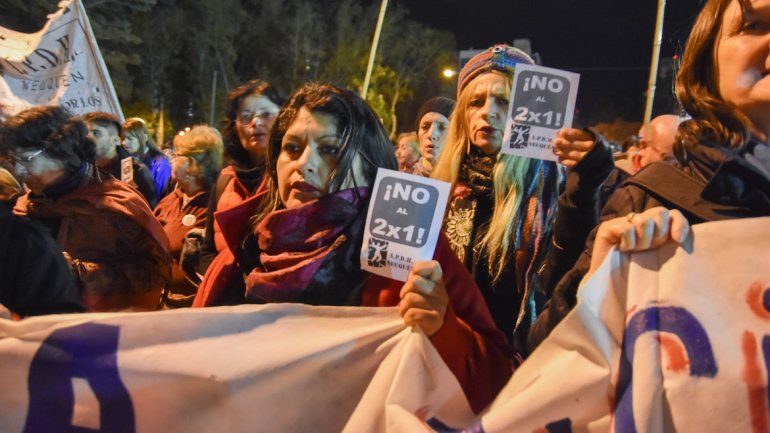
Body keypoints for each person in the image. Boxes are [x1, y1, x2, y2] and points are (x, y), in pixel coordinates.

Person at [194, 83, 513, 413]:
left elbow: (496, 380)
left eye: (330, 150)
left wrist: (441, 326)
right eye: (291, 148)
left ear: (369, 166)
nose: (304, 164)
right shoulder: (242, 250)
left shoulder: (410, 250)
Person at [529, 0, 770, 350]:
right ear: (707, 60)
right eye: (754, 26)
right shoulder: (646, 199)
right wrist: (598, 284)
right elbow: (549, 361)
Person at [432, 45, 563, 352]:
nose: (487, 112)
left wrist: (586, 186)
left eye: (503, 101)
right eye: (475, 102)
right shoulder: (438, 188)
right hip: (444, 351)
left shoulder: (547, 193)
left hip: (512, 359)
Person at [5, 106, 172, 312]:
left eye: (26, 160)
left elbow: (153, 274)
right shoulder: (23, 207)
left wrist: (75, 272)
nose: (19, 171)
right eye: (14, 161)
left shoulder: (115, 206)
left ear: (62, 152)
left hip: (99, 332)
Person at [194, 80, 284, 278]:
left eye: (266, 114)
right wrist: (226, 281)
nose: (256, 122)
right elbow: (207, 249)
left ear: (283, 119)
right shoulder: (225, 180)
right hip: (226, 301)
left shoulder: (289, 179)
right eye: (246, 116)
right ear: (234, 125)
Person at [154, 125, 224, 308]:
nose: (171, 160)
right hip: (158, 302)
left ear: (192, 165)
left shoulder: (213, 205)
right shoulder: (171, 199)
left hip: (190, 309)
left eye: (176, 155)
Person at [83, 112, 158, 207]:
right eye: (85, 133)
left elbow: (148, 213)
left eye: (96, 133)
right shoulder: (82, 170)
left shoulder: (136, 172)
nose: (88, 137)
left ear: (115, 140)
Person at [123, 117, 172, 200]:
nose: (124, 143)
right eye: (123, 138)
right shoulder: (128, 161)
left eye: (130, 139)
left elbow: (161, 200)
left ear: (144, 138)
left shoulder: (161, 165)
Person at [408, 97, 455, 177]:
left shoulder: (467, 185)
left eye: (441, 128)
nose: (431, 135)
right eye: (425, 127)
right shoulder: (401, 180)